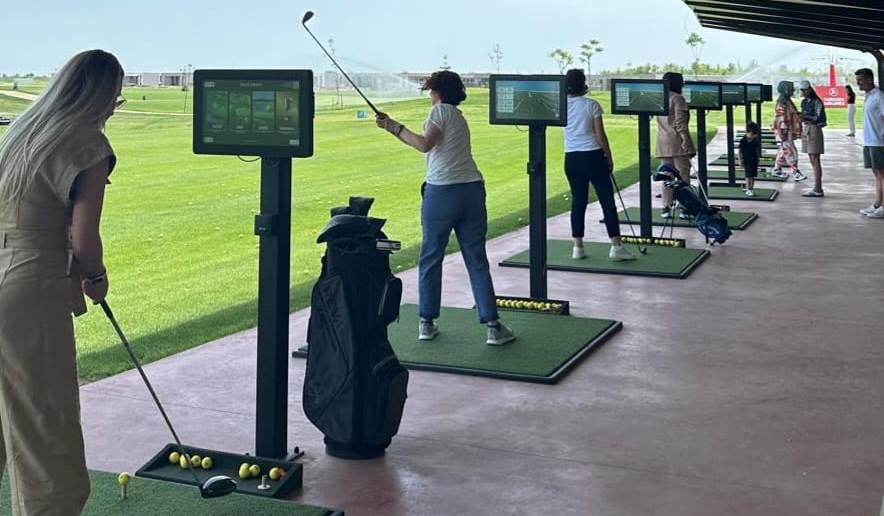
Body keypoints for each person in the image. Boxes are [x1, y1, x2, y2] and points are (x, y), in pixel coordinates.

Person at [0, 49, 123, 514]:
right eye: (115, 98)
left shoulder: (23, 130)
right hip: (29, 287)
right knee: (46, 429)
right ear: (102, 95)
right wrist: (96, 277)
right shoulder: (88, 143)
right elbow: (83, 238)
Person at [375, 70, 516, 346]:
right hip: (471, 191)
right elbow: (428, 144)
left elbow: (424, 144)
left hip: (442, 193)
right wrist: (392, 127)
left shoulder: (439, 111)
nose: (429, 95)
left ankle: (427, 323)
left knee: (431, 257)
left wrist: (393, 126)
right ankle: (493, 326)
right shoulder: (458, 116)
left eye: (431, 90)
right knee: (476, 259)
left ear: (437, 91)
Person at [562, 69, 636, 262]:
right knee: (607, 201)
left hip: (571, 158)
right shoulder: (591, 105)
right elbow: (600, 135)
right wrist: (609, 157)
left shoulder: (561, 106)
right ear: (583, 84)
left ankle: (578, 247)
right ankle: (616, 247)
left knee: (578, 202)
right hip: (593, 156)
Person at [656, 72, 696, 219]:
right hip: (677, 141)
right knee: (683, 175)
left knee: (667, 175)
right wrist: (686, 140)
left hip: (662, 141)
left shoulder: (661, 98)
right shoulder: (678, 98)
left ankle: (665, 207)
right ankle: (684, 207)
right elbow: (680, 123)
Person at [856, 68, 884, 219]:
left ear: (869, 79)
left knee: (882, 174)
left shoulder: (879, 96)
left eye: (860, 79)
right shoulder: (869, 96)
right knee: (877, 174)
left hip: (879, 141)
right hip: (869, 141)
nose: (858, 83)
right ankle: (878, 203)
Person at [771, 81, 807, 182]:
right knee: (791, 151)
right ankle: (795, 172)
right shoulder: (782, 103)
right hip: (785, 132)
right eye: (791, 88)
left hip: (788, 131)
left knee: (783, 151)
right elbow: (780, 118)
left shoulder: (787, 102)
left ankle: (777, 169)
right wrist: (783, 131)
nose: (793, 90)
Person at [799, 80, 827, 197]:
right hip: (807, 129)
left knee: (815, 159)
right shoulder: (804, 102)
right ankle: (817, 187)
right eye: (802, 90)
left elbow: (820, 119)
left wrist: (805, 116)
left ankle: (818, 188)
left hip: (815, 129)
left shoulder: (817, 102)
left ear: (810, 89)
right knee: (811, 159)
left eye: (805, 90)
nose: (803, 92)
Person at [738, 122, 761, 197]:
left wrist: (758, 158)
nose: (754, 136)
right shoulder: (743, 140)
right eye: (753, 134)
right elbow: (740, 151)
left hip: (754, 160)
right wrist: (740, 161)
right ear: (749, 132)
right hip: (746, 161)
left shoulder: (755, 140)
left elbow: (756, 150)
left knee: (753, 175)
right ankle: (748, 189)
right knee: (748, 175)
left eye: (755, 134)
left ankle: (751, 188)